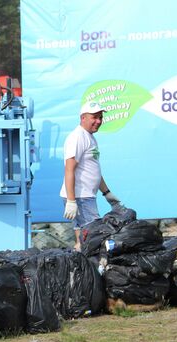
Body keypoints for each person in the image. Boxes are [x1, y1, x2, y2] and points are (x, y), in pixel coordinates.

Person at [60, 101, 120, 250]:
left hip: (85, 196)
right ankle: (89, 269)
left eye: (100, 117)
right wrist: (71, 201)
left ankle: (80, 269)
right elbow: (69, 169)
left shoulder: (89, 137)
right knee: (94, 238)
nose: (98, 121)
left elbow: (94, 169)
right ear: (83, 118)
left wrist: (106, 192)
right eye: (94, 117)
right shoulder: (77, 137)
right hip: (81, 197)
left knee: (83, 240)